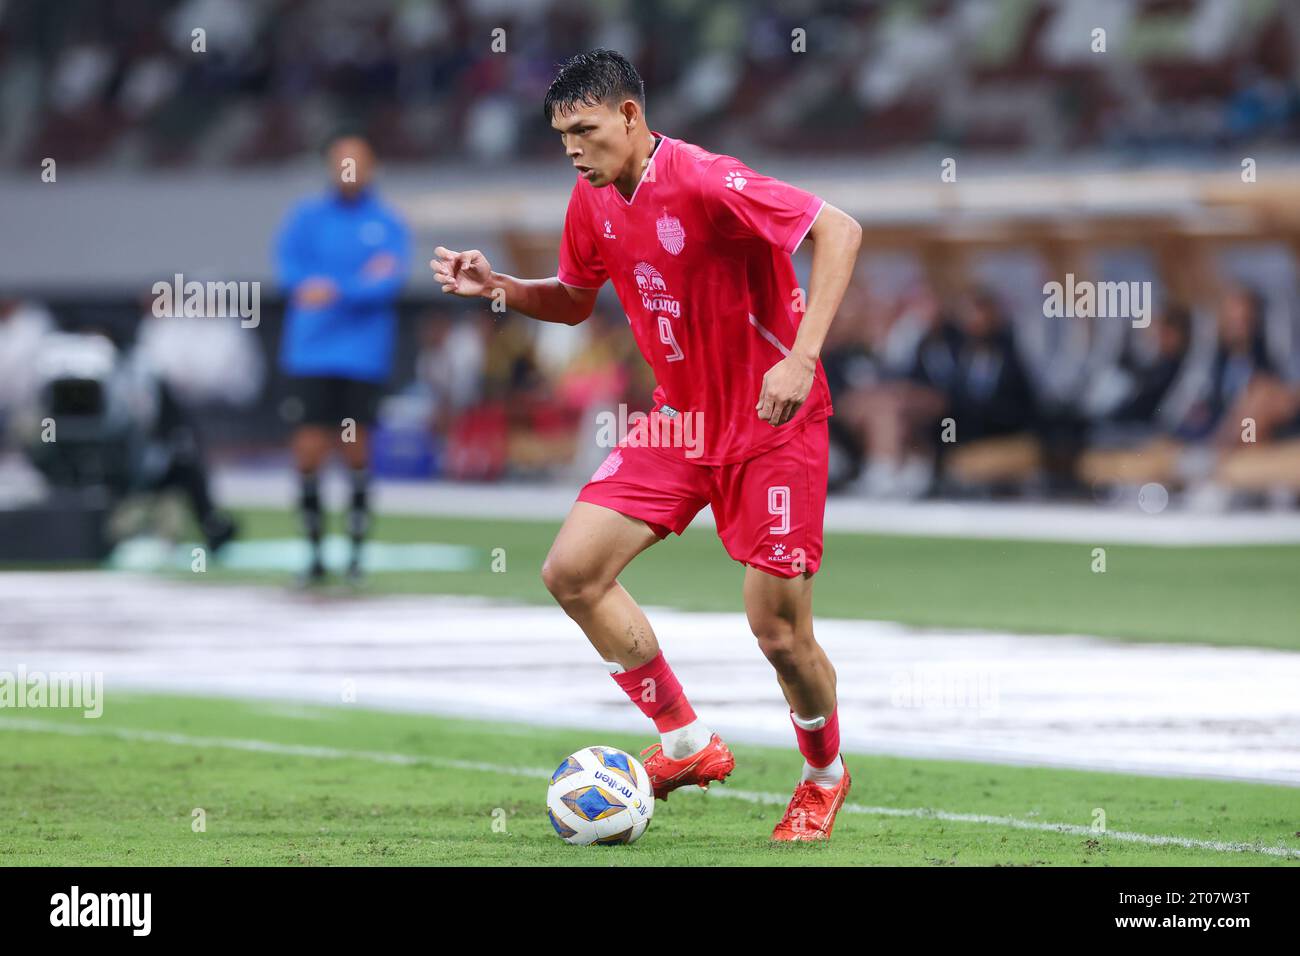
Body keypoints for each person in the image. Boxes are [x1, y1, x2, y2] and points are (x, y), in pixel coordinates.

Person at [432, 50, 863, 841]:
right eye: (561, 133)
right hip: (680, 422)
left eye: (585, 129)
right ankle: (686, 742)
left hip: (772, 426)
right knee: (571, 571)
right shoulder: (589, 199)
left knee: (778, 633)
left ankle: (822, 776)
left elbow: (839, 229)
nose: (571, 147)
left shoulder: (705, 179)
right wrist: (497, 287)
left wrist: (800, 357)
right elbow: (570, 302)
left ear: (630, 117)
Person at [275, 134, 410, 584]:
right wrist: (355, 282)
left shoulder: (387, 223)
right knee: (308, 451)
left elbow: (386, 282)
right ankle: (314, 556)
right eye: (341, 162)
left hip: (362, 358)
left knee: (356, 452)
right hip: (310, 355)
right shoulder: (306, 218)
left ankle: (355, 558)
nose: (348, 170)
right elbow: (292, 275)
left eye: (357, 162)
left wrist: (333, 288)